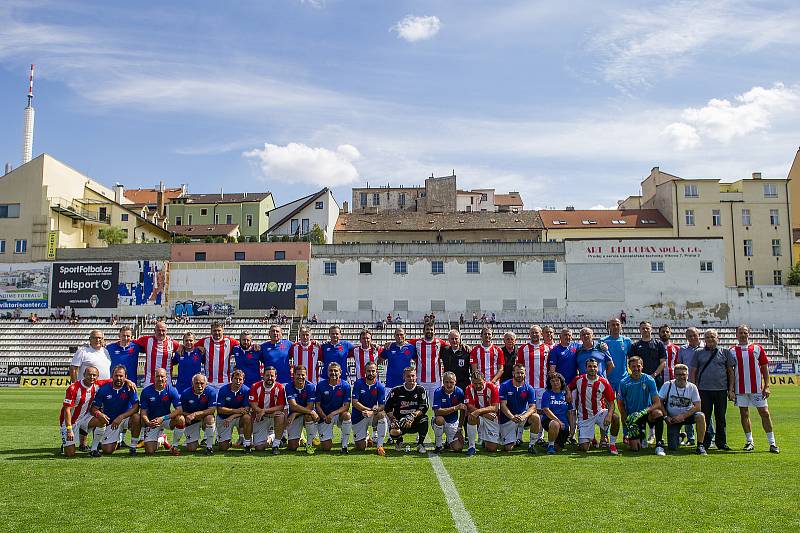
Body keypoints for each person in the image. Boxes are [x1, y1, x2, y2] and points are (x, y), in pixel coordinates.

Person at [731, 325, 779, 453]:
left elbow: (764, 367)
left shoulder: (757, 348)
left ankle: (772, 443)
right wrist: (730, 390)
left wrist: (767, 386)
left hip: (757, 388)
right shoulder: (732, 350)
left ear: (749, 334)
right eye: (740, 332)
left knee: (765, 413)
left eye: (745, 332)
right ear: (736, 335)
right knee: (744, 413)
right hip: (740, 388)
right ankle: (749, 441)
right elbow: (730, 371)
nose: (743, 334)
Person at [690, 329, 735, 452]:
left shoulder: (725, 352)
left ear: (717, 338)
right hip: (703, 390)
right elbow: (693, 371)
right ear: (704, 340)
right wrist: (694, 389)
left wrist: (731, 389)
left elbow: (731, 371)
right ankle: (704, 442)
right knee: (705, 417)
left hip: (721, 390)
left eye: (712, 337)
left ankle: (722, 443)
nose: (710, 339)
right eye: (708, 337)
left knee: (720, 417)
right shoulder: (698, 353)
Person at [568, 358, 620, 454]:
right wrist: (568, 393)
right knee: (584, 448)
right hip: (584, 417)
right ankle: (588, 439)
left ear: (598, 368)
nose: (592, 368)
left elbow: (612, 402)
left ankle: (612, 445)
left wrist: (609, 415)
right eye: (590, 366)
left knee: (615, 417)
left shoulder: (603, 382)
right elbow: (568, 387)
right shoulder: (578, 380)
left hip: (599, 413)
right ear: (586, 368)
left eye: (595, 366)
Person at [61, 366, 116, 456]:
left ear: (97, 376)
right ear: (84, 375)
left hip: (85, 418)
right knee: (70, 454)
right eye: (89, 374)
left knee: (102, 419)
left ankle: (93, 449)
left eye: (94, 375)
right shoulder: (73, 388)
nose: (92, 377)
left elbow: (113, 379)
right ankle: (65, 444)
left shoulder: (97, 385)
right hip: (71, 422)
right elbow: (67, 410)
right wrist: (69, 429)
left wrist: (128, 381)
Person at [617, 356, 666, 456]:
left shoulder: (649, 380)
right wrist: (624, 416)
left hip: (646, 413)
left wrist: (643, 412)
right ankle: (641, 435)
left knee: (658, 413)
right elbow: (620, 403)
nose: (636, 368)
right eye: (633, 366)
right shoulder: (624, 382)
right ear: (629, 368)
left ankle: (659, 445)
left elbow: (657, 403)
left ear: (642, 366)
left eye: (638, 366)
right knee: (635, 448)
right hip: (633, 417)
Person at [88, 365, 142, 456]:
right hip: (111, 422)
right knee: (107, 450)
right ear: (112, 376)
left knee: (137, 417)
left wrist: (121, 417)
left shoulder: (130, 388)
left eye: (121, 376)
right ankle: (116, 442)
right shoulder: (104, 389)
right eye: (116, 375)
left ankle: (133, 447)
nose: (119, 378)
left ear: (126, 377)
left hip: (125, 419)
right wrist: (99, 414)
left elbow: (136, 407)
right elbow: (93, 408)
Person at [658, 364, 707, 455]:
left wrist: (683, 416)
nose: (681, 377)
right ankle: (680, 436)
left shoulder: (692, 387)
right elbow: (659, 401)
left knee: (700, 416)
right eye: (678, 374)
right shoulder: (667, 385)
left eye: (683, 374)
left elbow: (697, 406)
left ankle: (700, 445)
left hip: (688, 416)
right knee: (672, 447)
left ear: (687, 375)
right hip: (673, 418)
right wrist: (666, 416)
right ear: (674, 375)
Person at [516, 325, 549, 444]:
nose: (535, 335)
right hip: (526, 386)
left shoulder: (547, 348)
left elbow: (550, 368)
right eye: (532, 333)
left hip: (542, 386)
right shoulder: (523, 348)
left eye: (537, 333)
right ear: (529, 334)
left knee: (540, 412)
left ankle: (538, 437)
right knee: (522, 411)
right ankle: (518, 437)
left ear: (541, 334)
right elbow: (518, 368)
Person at [139, 367, 184, 456]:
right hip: (153, 421)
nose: (160, 379)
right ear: (154, 378)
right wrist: (148, 422)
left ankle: (174, 446)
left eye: (162, 376)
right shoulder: (146, 391)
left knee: (181, 419)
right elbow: (143, 412)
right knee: (150, 451)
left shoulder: (171, 390)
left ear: (166, 378)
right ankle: (162, 439)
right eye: (157, 376)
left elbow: (179, 410)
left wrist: (163, 418)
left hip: (166, 419)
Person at [385, 367, 429, 454]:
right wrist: (393, 420)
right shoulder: (396, 390)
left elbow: (424, 407)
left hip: (415, 421)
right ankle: (399, 441)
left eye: (413, 376)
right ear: (404, 377)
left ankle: (420, 444)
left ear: (416, 377)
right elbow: (387, 407)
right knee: (394, 431)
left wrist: (412, 416)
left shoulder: (421, 390)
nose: (411, 378)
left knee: (424, 419)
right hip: (400, 421)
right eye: (408, 376)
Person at [498, 364, 540, 452]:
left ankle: (532, 445)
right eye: (517, 373)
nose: (519, 375)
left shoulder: (529, 388)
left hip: (522, 417)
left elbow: (532, 407)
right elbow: (503, 405)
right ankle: (510, 437)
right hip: (508, 418)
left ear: (525, 374)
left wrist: (524, 416)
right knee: (508, 448)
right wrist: (512, 417)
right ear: (513, 373)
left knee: (536, 417)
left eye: (522, 373)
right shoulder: (505, 386)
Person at [352, 361, 388, 455]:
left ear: (376, 372)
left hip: (372, 415)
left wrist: (372, 412)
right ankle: (367, 436)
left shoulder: (380, 386)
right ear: (365, 372)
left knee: (381, 414)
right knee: (361, 447)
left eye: (373, 371)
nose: (371, 373)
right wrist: (368, 410)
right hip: (358, 416)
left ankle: (380, 445)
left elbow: (382, 406)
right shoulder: (358, 383)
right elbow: (355, 403)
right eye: (369, 371)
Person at [248, 366, 287, 454]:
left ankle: (276, 445)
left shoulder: (280, 388)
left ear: (275, 377)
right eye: (267, 375)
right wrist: (261, 412)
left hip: (273, 416)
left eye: (272, 376)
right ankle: (271, 437)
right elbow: (253, 404)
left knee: (280, 416)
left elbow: (281, 406)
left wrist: (264, 411)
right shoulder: (255, 386)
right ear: (263, 376)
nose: (270, 378)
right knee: (259, 448)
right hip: (260, 417)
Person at [315, 362, 352, 453]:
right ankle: (319, 440)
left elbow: (346, 406)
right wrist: (324, 417)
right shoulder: (321, 385)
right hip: (325, 416)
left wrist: (333, 414)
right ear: (327, 372)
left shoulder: (346, 385)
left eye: (336, 371)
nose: (333, 373)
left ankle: (344, 446)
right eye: (331, 370)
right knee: (326, 448)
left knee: (347, 415)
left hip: (338, 415)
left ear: (340, 372)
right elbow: (317, 405)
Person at [178, 373, 217, 455]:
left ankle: (209, 446)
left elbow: (212, 410)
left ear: (206, 384)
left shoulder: (211, 391)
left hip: (204, 419)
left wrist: (195, 414)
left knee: (210, 418)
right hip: (191, 421)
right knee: (191, 448)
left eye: (202, 383)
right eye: (197, 383)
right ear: (192, 384)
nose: (199, 386)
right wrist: (190, 416)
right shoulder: (185, 393)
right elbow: (180, 411)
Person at [215, 368, 252, 453]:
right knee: (223, 448)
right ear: (231, 379)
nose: (238, 381)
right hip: (224, 418)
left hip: (238, 417)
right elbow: (220, 410)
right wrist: (236, 411)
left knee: (247, 417)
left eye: (240, 379)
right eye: (236, 378)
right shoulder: (223, 389)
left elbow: (246, 409)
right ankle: (227, 441)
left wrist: (232, 416)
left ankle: (247, 444)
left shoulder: (246, 390)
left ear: (243, 380)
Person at [677, 326, 704, 445]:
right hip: (687, 384)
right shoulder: (682, 350)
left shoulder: (705, 348)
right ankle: (690, 438)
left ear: (699, 335)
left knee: (704, 410)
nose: (692, 338)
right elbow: (679, 365)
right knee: (687, 408)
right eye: (689, 336)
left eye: (694, 335)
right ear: (686, 337)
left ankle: (709, 437)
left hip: (703, 383)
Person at [408, 322, 448, 400]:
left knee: (436, 407)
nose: (429, 331)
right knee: (421, 406)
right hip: (421, 381)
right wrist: (390, 343)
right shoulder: (417, 342)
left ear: (434, 331)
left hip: (436, 382)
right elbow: (402, 343)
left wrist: (463, 345)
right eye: (427, 329)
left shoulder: (439, 342)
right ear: (423, 331)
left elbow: (453, 346)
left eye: (431, 329)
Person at [464, 371, 500, 456]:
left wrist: (478, 411)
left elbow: (495, 407)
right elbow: (470, 406)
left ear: (484, 380)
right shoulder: (469, 388)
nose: (477, 386)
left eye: (480, 383)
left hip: (491, 418)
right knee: (471, 417)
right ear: (471, 382)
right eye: (475, 383)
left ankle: (485, 440)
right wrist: (483, 413)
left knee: (492, 449)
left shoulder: (492, 387)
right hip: (482, 416)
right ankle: (471, 446)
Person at [193, 321, 239, 388]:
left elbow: (244, 347)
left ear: (223, 330)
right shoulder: (205, 341)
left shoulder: (230, 341)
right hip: (208, 382)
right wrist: (182, 347)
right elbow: (190, 346)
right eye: (214, 330)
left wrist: (254, 346)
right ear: (211, 331)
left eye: (219, 330)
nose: (217, 333)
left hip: (225, 381)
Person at [134, 321, 181, 386]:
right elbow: (130, 342)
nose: (161, 333)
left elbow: (182, 349)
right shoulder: (147, 340)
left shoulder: (173, 343)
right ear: (154, 331)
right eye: (158, 330)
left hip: (167, 381)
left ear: (166, 331)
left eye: (163, 330)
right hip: (150, 381)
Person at [285, 364, 319, 454]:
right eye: (298, 374)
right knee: (292, 447)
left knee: (308, 416)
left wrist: (295, 413)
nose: (300, 377)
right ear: (294, 375)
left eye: (303, 375)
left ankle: (309, 443)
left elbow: (310, 407)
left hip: (304, 415)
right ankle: (300, 438)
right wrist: (310, 412)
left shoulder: (311, 387)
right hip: (295, 417)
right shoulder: (288, 386)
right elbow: (293, 405)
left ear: (306, 375)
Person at [432, 371, 466, 453]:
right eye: (446, 382)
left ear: (455, 382)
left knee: (458, 448)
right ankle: (438, 445)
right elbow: (437, 412)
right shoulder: (438, 391)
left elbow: (463, 411)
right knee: (439, 419)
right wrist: (454, 408)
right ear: (443, 382)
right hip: (440, 421)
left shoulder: (459, 392)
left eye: (451, 382)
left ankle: (448, 442)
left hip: (453, 422)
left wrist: (459, 428)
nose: (449, 385)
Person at [540, 373, 573, 454]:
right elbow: (546, 409)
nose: (555, 383)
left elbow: (570, 412)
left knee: (559, 449)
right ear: (549, 383)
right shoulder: (547, 394)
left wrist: (572, 428)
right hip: (549, 420)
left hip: (564, 424)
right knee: (555, 424)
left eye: (557, 380)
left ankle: (551, 443)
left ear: (561, 382)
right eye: (552, 381)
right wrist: (557, 420)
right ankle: (550, 446)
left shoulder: (565, 395)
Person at [631, 321, 667, 388]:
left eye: (647, 328)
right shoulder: (635, 346)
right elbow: (632, 364)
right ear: (640, 330)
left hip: (656, 379)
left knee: (656, 398)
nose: (645, 330)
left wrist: (654, 375)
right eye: (643, 328)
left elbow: (663, 363)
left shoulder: (659, 344)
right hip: (640, 378)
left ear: (651, 329)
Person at [601, 318, 632, 392]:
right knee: (608, 403)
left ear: (621, 326)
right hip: (608, 378)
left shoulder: (627, 341)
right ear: (609, 326)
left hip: (623, 378)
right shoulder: (603, 341)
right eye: (613, 325)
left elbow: (631, 358)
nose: (615, 327)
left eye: (617, 324)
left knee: (623, 402)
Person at [439, 329, 471, 394]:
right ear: (448, 340)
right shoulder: (444, 351)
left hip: (463, 384)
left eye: (456, 339)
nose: (454, 341)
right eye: (452, 339)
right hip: (448, 385)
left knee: (463, 404)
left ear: (460, 339)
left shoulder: (467, 352)